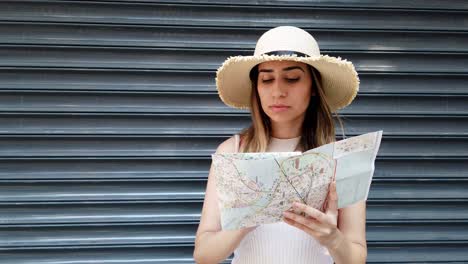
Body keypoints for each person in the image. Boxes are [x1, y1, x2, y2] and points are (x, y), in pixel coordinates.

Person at [193, 26, 366, 264]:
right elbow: (203, 254)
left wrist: (333, 238)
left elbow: (357, 258)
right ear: (257, 87)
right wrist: (248, 218)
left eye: (292, 78)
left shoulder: (343, 158)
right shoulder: (233, 151)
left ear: (314, 87)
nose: (277, 91)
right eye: (266, 79)